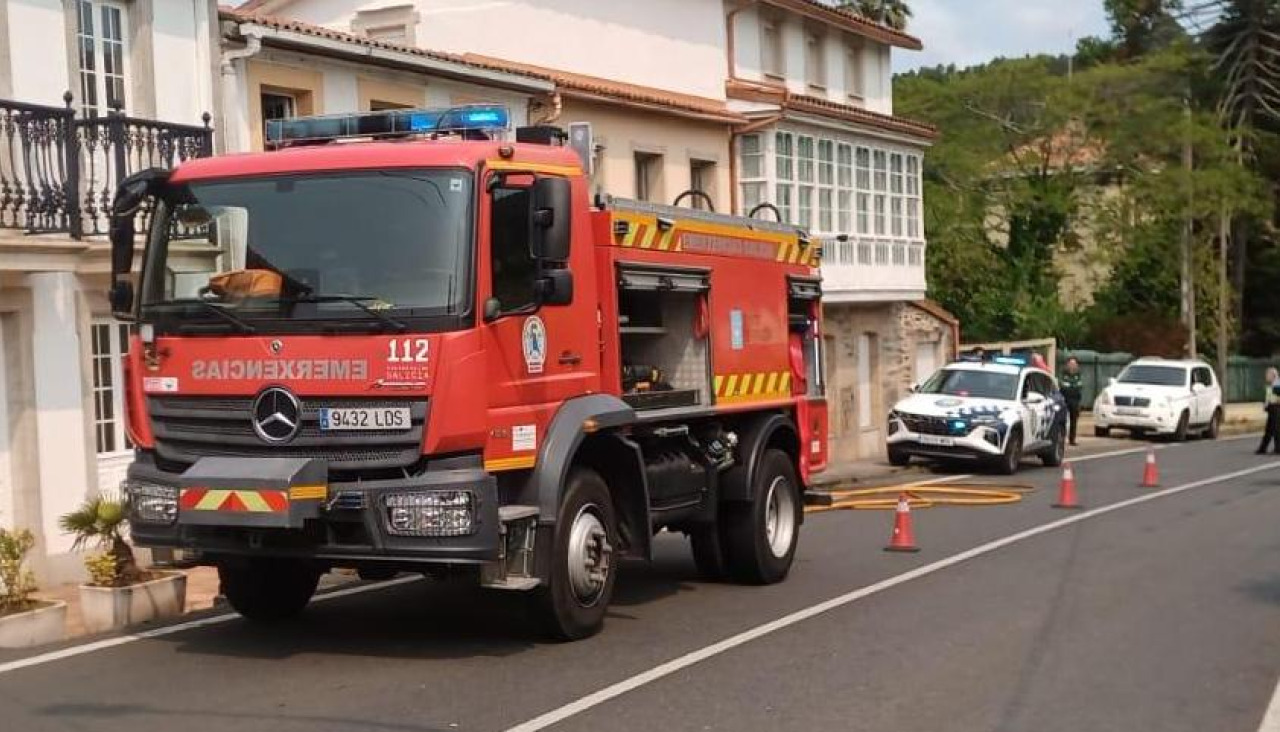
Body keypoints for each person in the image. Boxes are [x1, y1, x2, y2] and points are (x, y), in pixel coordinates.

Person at [1060, 357, 1084, 446]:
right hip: (1065, 399)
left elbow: (1079, 385)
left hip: (1075, 400)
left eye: (1074, 364)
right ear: (1068, 365)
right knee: (1063, 420)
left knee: (1074, 420)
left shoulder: (1079, 374)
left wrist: (1071, 385)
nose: (1072, 365)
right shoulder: (1064, 373)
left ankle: (1072, 439)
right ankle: (1061, 438)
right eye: (1071, 364)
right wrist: (1072, 385)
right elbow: (1063, 385)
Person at [1257, 367, 1280, 455]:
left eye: (1268, 374)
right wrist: (1266, 405)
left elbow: (1276, 398)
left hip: (1276, 408)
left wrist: (1270, 403)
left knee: (1276, 429)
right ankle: (1263, 448)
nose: (1266, 376)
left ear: (1273, 375)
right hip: (1272, 408)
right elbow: (1269, 397)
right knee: (1269, 429)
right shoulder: (1271, 384)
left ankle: (1277, 449)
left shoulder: (1277, 384)